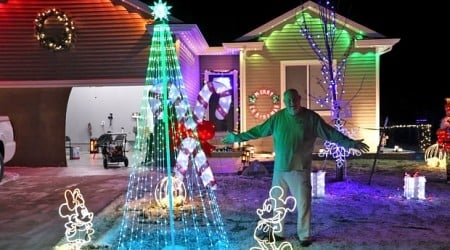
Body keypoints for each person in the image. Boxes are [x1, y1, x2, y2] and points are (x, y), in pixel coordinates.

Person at [222, 88, 369, 247]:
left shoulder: (311, 118)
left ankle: (304, 235)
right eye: (288, 100)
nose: (292, 103)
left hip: (300, 169)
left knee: (303, 204)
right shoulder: (278, 118)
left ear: (299, 99)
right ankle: (278, 232)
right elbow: (258, 131)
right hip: (280, 170)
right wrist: (237, 137)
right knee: (277, 203)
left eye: (294, 99)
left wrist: (350, 143)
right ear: (284, 102)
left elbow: (330, 133)